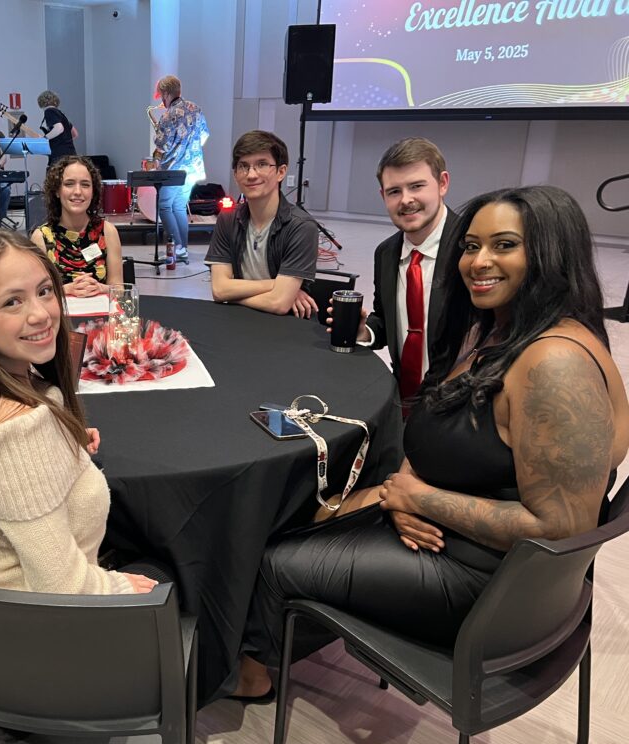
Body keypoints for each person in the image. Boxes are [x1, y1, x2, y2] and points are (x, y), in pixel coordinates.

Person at [234, 185, 629, 699]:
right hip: (456, 536)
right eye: (470, 246)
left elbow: (558, 527)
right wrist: (409, 491)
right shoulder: (509, 331)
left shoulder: (555, 363)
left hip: (484, 586)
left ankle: (254, 675)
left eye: (504, 245)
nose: (478, 262)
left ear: (551, 255)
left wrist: (417, 498)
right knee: (304, 505)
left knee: (270, 554)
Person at [0, 228, 156, 595]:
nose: (41, 314)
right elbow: (63, 586)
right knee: (180, 569)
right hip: (33, 630)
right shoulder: (15, 432)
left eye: (44, 291)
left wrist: (60, 444)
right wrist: (118, 588)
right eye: (13, 302)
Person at [332, 137, 460, 400]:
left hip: (459, 402)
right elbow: (387, 321)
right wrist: (364, 331)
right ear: (383, 196)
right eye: (394, 191)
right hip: (403, 398)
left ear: (443, 184)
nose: (406, 200)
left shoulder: (471, 247)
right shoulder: (386, 253)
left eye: (416, 186)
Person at [205, 130, 319, 316]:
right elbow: (219, 290)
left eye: (262, 164)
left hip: (284, 325)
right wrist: (275, 284)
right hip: (238, 319)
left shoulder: (301, 226)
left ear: (281, 172)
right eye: (243, 166)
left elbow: (279, 304)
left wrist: (232, 294)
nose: (251, 175)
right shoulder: (227, 220)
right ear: (235, 174)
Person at [30, 156, 124, 298]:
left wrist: (100, 288)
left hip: (100, 316)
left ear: (93, 192)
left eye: (85, 185)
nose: (78, 191)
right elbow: (36, 294)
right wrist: (67, 289)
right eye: (69, 184)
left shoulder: (108, 231)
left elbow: (120, 290)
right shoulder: (41, 237)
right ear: (57, 191)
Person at [151, 75, 209, 262]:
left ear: (166, 94)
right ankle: (183, 248)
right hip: (193, 168)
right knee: (178, 206)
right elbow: (204, 136)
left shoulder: (168, 115)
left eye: (161, 95)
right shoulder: (196, 109)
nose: (161, 99)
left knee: (164, 206)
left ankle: (176, 246)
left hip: (174, 170)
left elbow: (161, 145)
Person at [37, 90, 78, 166]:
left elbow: (59, 128)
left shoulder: (49, 111)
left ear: (41, 102)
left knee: (56, 177)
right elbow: (74, 133)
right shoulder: (61, 114)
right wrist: (64, 141)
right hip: (71, 153)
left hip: (59, 155)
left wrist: (44, 138)